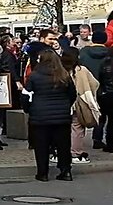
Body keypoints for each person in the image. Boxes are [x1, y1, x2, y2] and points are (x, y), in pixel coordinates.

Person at [26, 50, 76, 181]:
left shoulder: (34, 76)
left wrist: (29, 110)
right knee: (63, 146)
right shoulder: (64, 74)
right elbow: (72, 94)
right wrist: (65, 106)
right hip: (62, 116)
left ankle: (42, 173)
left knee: (41, 146)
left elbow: (26, 96)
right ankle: (66, 171)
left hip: (40, 116)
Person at [62, 48, 99, 165]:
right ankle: (75, 153)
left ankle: (60, 152)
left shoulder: (59, 70)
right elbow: (94, 83)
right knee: (77, 128)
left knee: (62, 129)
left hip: (61, 103)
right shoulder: (81, 70)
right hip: (78, 102)